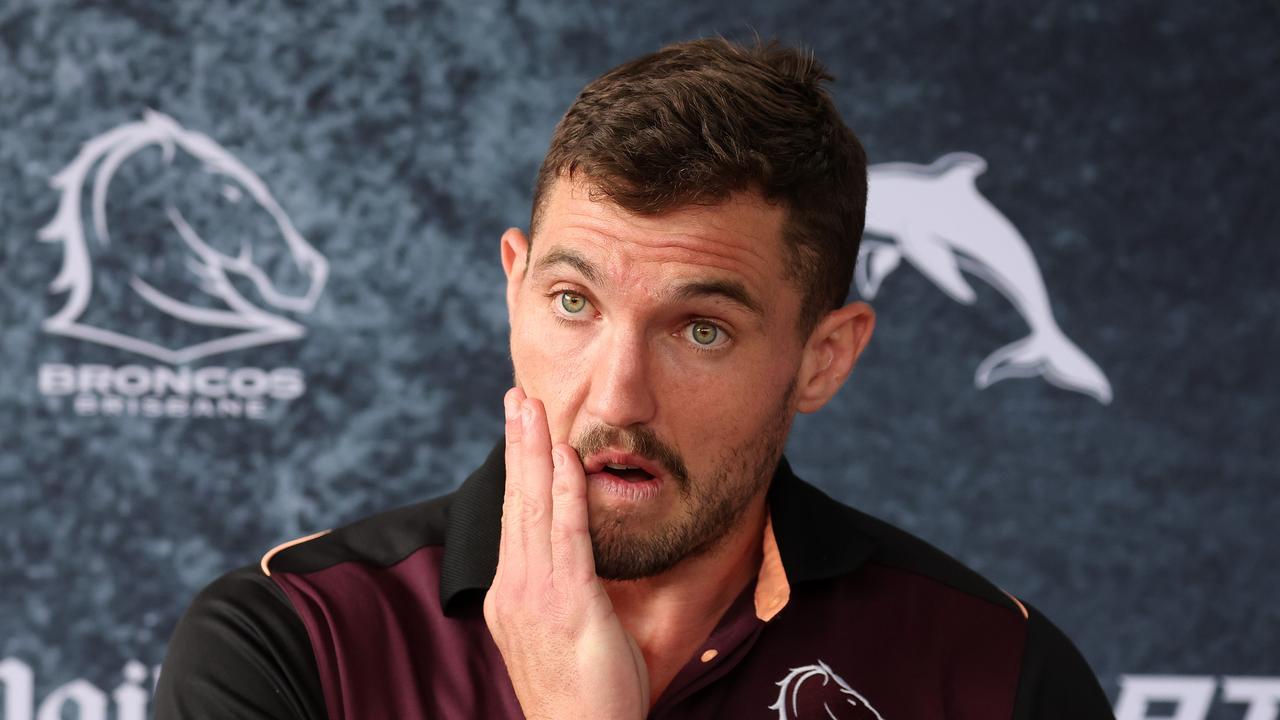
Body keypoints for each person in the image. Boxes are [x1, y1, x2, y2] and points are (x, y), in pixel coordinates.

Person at [154, 37, 1114, 719]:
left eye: (700, 329)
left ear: (826, 357)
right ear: (515, 291)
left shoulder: (996, 675)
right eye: (575, 303)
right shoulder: (294, 645)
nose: (616, 398)